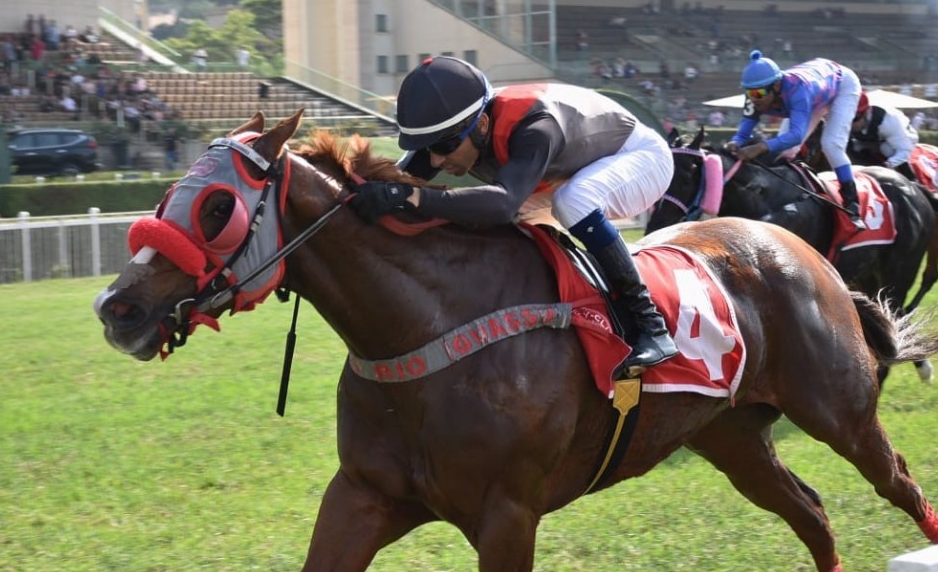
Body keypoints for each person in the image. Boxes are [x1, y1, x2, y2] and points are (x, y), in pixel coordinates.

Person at [349, 56, 679, 373]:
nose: (435, 161)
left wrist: (414, 196)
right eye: (427, 148)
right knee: (487, 220)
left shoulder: (535, 127)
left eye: (445, 147)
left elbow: (502, 202)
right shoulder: (458, 130)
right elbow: (393, 182)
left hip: (642, 158)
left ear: (480, 124)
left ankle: (650, 324)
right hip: (573, 170)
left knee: (570, 201)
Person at [724, 49, 866, 230]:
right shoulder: (756, 94)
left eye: (759, 94)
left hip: (842, 86)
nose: (754, 99)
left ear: (775, 86)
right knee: (786, 151)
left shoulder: (797, 90)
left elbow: (796, 135)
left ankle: (852, 203)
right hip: (817, 91)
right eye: (750, 93)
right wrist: (735, 142)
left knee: (831, 145)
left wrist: (760, 147)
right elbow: (744, 130)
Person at [848, 91, 918, 181]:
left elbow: (904, 150)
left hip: (903, 137)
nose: (849, 124)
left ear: (866, 112)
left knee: (886, 149)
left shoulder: (887, 122)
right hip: (870, 139)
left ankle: (912, 180)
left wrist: (887, 165)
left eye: (854, 119)